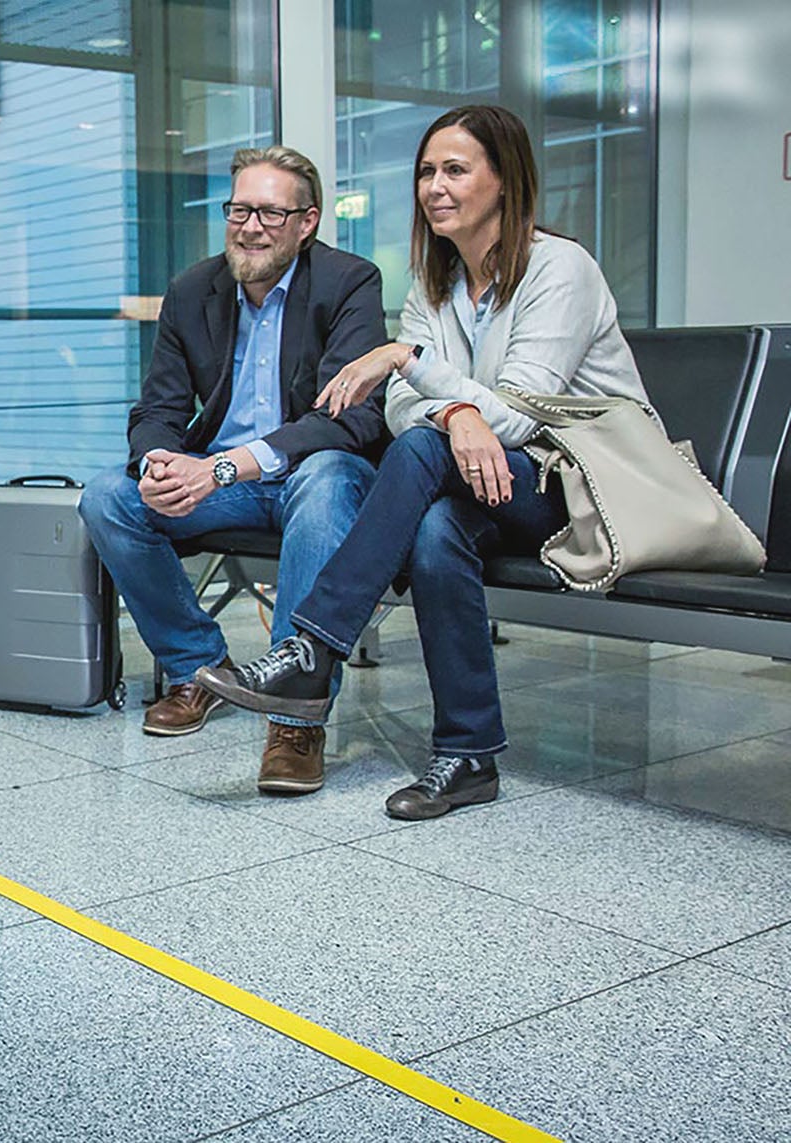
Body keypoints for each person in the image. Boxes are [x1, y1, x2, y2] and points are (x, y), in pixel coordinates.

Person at [196, 105, 648, 820]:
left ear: (505, 182)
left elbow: (522, 416)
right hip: (482, 481)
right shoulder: (435, 281)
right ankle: (467, 756)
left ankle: (314, 647)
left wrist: (410, 364)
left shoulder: (561, 270)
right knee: (437, 532)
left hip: (579, 489)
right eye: (426, 172)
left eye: (456, 170)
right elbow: (407, 407)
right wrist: (453, 409)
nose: (435, 186)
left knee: (423, 447)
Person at [77, 146, 389, 795]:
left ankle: (293, 714)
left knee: (327, 476)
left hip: (308, 475)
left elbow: (350, 419)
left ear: (307, 221)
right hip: (226, 485)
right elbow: (158, 407)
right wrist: (161, 462)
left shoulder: (349, 282)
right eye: (239, 210)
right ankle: (199, 667)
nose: (249, 227)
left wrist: (220, 468)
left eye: (270, 214)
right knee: (110, 495)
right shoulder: (195, 290)